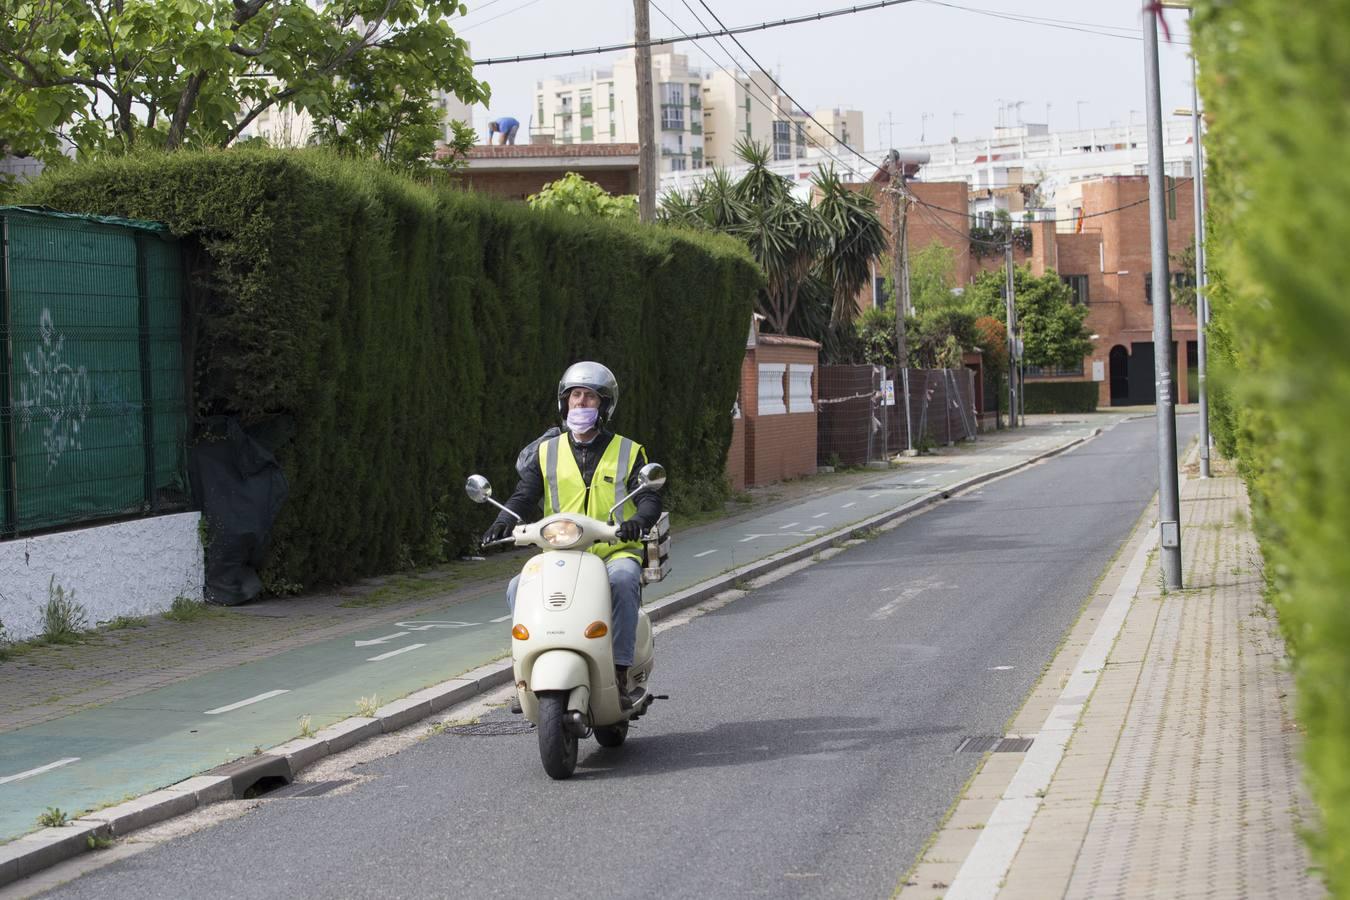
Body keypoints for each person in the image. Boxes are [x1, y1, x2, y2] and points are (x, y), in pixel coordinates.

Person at [482, 361, 661, 710]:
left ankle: (621, 672)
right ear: (564, 403)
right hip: (561, 552)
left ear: (604, 406)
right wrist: (501, 521)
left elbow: (650, 497)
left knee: (624, 581)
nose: (580, 403)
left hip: (614, 550)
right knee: (517, 588)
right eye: (574, 396)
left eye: (590, 397)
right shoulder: (546, 452)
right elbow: (525, 493)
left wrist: (638, 521)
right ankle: (524, 674)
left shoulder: (629, 450)